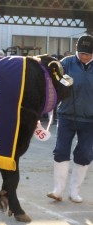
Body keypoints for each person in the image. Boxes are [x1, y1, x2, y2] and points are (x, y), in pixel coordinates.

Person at [47, 35, 93, 203]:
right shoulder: (66, 63)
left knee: (85, 154)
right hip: (66, 115)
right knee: (60, 151)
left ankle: (75, 191)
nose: (84, 57)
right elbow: (53, 83)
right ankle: (57, 190)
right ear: (76, 49)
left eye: (88, 54)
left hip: (90, 120)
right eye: (81, 53)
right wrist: (62, 82)